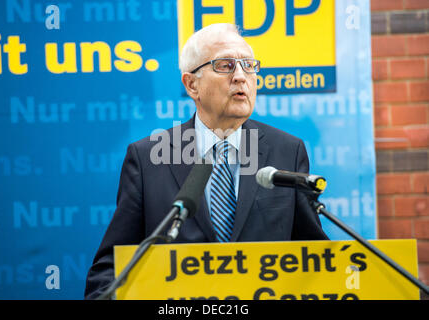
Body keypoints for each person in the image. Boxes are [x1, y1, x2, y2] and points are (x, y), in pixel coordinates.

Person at [84, 23, 328, 299]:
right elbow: (111, 270)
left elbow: (315, 258)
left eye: (249, 66)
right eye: (225, 65)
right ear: (191, 85)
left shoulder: (287, 151)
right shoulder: (148, 158)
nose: (240, 77)